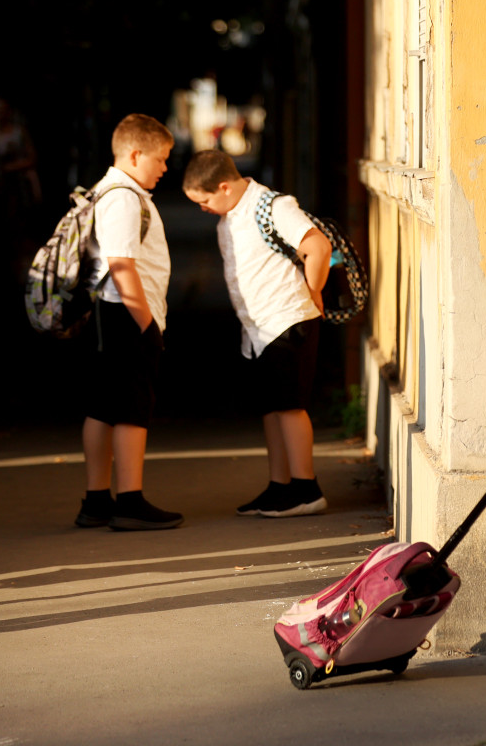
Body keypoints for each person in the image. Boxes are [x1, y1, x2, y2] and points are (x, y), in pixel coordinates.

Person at [182, 150, 332, 518]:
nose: (202, 208)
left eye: (204, 201)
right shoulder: (229, 217)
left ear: (223, 187)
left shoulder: (273, 206)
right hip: (260, 329)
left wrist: (312, 293)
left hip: (287, 320)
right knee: (272, 409)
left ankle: (306, 489)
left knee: (290, 406)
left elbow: (317, 246)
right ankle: (280, 487)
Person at [75, 114, 183, 530]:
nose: (165, 167)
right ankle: (129, 501)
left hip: (114, 312)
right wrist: (147, 324)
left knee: (103, 408)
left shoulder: (116, 191)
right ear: (135, 154)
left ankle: (98, 500)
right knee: (131, 408)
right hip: (126, 313)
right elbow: (121, 264)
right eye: (160, 158)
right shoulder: (122, 196)